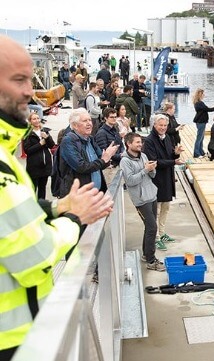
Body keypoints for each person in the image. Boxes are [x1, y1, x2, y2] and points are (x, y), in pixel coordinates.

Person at [0, 34, 114, 359]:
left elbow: (11, 215)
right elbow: (34, 259)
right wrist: (73, 218)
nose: (30, 91)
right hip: (14, 342)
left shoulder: (5, 152)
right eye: (18, 79)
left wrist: (54, 206)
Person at [120, 132, 166, 271]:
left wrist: (152, 169)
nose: (140, 145)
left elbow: (151, 175)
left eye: (141, 142)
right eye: (137, 142)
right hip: (140, 200)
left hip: (151, 195)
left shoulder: (144, 155)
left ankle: (146, 255)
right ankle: (151, 261)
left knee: (149, 227)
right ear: (129, 144)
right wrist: (145, 170)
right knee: (152, 227)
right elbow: (130, 181)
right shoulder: (125, 161)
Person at [142, 114, 184, 250]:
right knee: (157, 210)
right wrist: (173, 161)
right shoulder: (149, 141)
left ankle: (162, 232)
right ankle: (156, 238)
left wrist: (176, 153)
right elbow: (154, 162)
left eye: (165, 126)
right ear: (154, 125)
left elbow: (170, 155)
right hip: (157, 180)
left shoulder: (167, 138)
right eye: (160, 125)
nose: (163, 128)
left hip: (167, 178)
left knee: (166, 208)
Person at [58, 108, 119, 197]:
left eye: (90, 120)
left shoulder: (90, 139)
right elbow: (81, 166)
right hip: (78, 197)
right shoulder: (68, 141)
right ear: (75, 125)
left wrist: (108, 157)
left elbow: (101, 163)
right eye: (84, 121)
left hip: (96, 194)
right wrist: (103, 160)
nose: (89, 123)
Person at [22, 112, 55, 198]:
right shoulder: (28, 134)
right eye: (34, 119)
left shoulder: (44, 131)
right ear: (30, 121)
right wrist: (40, 144)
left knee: (42, 189)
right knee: (33, 189)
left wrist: (47, 138)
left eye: (38, 118)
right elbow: (27, 150)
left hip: (45, 166)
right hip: (34, 167)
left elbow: (51, 145)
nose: (37, 121)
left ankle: (42, 207)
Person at [192, 88, 214, 158]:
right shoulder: (199, 103)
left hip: (201, 122)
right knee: (199, 138)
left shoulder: (198, 103)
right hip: (201, 122)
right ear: (200, 94)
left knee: (202, 137)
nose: (204, 95)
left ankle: (201, 152)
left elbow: (205, 109)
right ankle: (196, 153)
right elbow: (207, 109)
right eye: (203, 94)